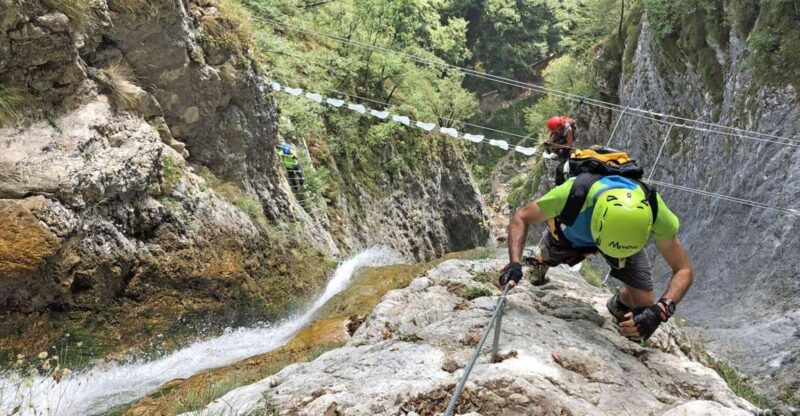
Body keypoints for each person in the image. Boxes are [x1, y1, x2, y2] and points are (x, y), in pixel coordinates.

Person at [499, 151, 694, 341]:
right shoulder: (573, 193)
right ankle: (542, 262)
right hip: (573, 234)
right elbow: (522, 218)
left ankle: (620, 304)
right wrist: (514, 263)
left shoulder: (654, 208)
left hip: (620, 242)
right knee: (553, 253)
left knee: (643, 310)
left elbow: (683, 270)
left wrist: (661, 310)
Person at [545, 116, 576, 185]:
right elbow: (553, 132)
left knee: (564, 152)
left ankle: (563, 158)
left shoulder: (569, 129)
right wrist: (549, 141)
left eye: (554, 130)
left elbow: (568, 144)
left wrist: (555, 146)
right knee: (555, 143)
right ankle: (558, 153)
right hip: (562, 134)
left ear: (558, 128)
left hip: (568, 140)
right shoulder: (558, 125)